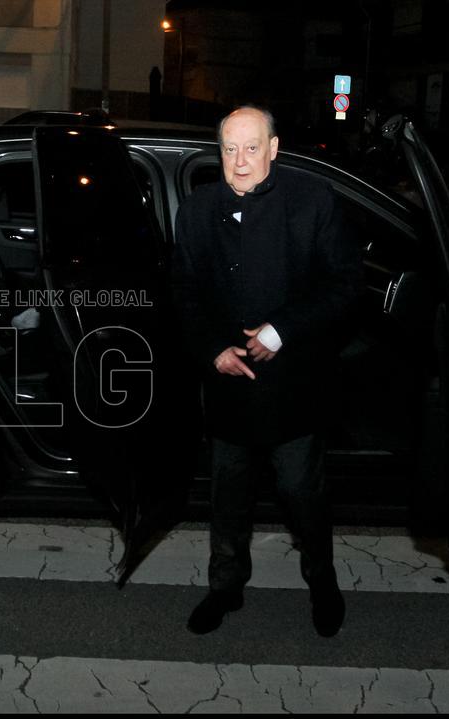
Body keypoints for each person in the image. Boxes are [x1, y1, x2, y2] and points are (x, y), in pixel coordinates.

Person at [171, 106, 361, 638]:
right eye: (230, 149)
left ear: (274, 149)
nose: (240, 162)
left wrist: (284, 330)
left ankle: (322, 583)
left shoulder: (311, 201)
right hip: (228, 385)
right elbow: (183, 291)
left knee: (303, 494)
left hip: (294, 387)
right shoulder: (197, 209)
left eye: (251, 148)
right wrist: (213, 350)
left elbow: (345, 284)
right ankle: (224, 588)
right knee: (227, 498)